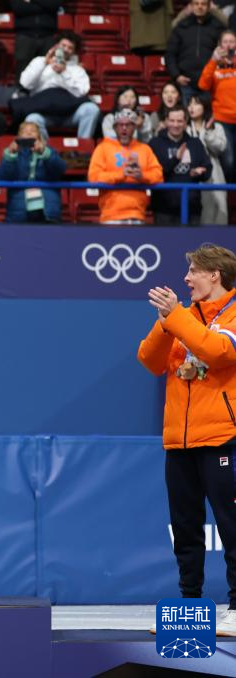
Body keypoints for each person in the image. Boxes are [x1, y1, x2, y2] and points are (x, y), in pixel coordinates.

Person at [138, 243, 236, 636]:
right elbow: (149, 360)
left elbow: (217, 351)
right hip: (179, 442)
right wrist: (167, 322)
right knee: (185, 528)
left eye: (193, 270)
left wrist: (176, 316)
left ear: (215, 274)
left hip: (222, 438)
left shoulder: (234, 313)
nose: (186, 278)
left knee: (231, 526)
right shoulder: (183, 318)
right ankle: (190, 605)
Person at [88, 108, 164, 224]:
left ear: (134, 127)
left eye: (128, 125)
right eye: (120, 125)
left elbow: (159, 176)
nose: (124, 128)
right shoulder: (102, 148)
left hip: (138, 215)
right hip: (111, 217)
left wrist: (142, 176)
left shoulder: (145, 149)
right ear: (115, 128)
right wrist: (120, 175)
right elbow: (93, 177)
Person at [19, 31, 100, 140]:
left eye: (70, 48)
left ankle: (83, 146)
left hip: (70, 113)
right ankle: (46, 149)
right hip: (44, 111)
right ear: (56, 45)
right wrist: (44, 63)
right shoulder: (39, 61)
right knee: (32, 119)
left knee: (91, 109)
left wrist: (64, 72)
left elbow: (81, 92)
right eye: (63, 45)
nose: (65, 49)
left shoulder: (77, 70)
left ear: (74, 52)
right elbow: (25, 83)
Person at [149, 105, 212, 225]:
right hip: (163, 210)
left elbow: (207, 169)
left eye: (179, 121)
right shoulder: (155, 144)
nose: (176, 125)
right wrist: (176, 158)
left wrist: (200, 173)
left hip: (192, 209)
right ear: (166, 121)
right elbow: (156, 173)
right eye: (172, 121)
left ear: (185, 123)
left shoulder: (195, 143)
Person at [0, 120, 66, 223]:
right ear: (18, 137)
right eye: (24, 131)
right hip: (19, 206)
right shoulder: (12, 154)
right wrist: (10, 156)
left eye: (33, 131)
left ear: (39, 136)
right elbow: (3, 177)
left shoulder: (49, 151)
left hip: (47, 204)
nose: (29, 133)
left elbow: (60, 169)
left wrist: (44, 152)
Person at [166, 0, 225, 101]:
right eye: (196, 4)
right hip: (186, 84)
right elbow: (170, 54)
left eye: (203, 4)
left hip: (210, 82)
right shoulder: (181, 27)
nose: (199, 7)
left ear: (209, 7)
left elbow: (224, 54)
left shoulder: (218, 27)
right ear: (191, 6)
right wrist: (176, 75)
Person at [199, 30, 236, 180]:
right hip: (222, 121)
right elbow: (202, 85)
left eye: (232, 41)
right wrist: (213, 60)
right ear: (220, 45)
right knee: (229, 162)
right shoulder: (214, 66)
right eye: (225, 42)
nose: (229, 45)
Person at [186, 92, 228, 224]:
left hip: (214, 175)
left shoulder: (216, 127)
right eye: (189, 104)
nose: (191, 107)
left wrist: (208, 133)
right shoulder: (184, 128)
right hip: (190, 175)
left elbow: (220, 148)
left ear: (205, 106)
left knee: (216, 213)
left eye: (196, 103)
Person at [11, 0, 62, 77]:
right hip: (25, 36)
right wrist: (45, 6)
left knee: (49, 70)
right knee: (22, 70)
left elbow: (54, 4)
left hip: (48, 35)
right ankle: (21, 85)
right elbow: (18, 8)